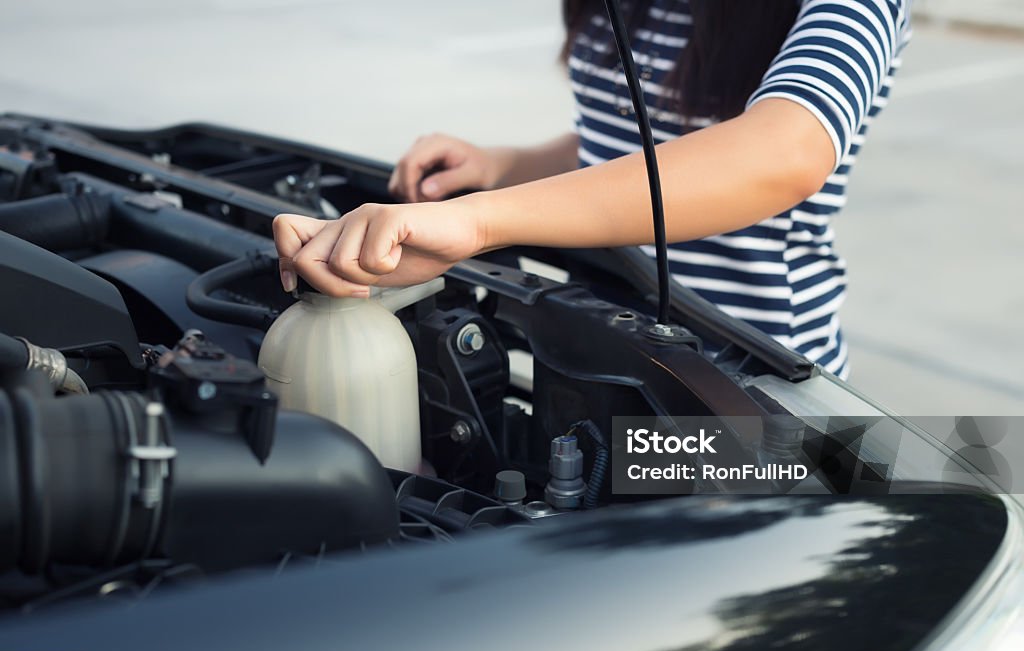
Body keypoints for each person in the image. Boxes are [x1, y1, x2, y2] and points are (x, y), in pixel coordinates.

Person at [273, 0, 913, 379]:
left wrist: (482, 220)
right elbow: (634, 147)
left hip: (755, 389)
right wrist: (505, 165)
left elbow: (783, 152)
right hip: (609, 356)